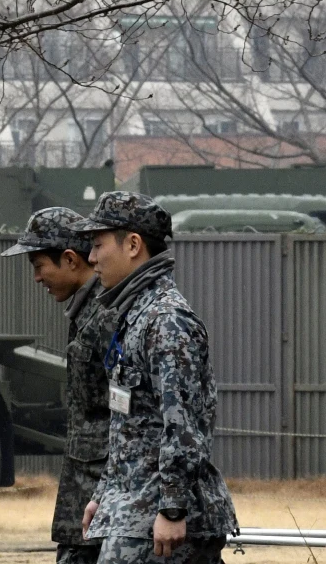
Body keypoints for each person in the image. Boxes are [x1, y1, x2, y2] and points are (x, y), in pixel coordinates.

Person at [74, 192, 237, 563]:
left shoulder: (166, 321)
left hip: (155, 519)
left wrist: (173, 508)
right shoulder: (136, 316)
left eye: (98, 245)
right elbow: (131, 425)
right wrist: (104, 494)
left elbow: (183, 424)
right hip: (133, 510)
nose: (91, 258)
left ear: (133, 245)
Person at [2, 207, 112, 564]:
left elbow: (130, 417)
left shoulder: (105, 316)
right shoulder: (88, 313)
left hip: (103, 503)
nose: (37, 278)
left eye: (39, 266)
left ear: (69, 259)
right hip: (88, 499)